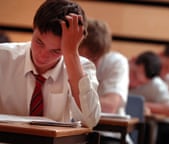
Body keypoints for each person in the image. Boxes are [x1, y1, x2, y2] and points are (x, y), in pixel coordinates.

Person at [0, 0, 101, 128]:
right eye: (39, 43)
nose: (42, 55)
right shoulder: (3, 56)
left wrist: (71, 54)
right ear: (33, 27)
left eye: (56, 51)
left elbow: (91, 120)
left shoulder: (81, 67)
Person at [78, 19, 130, 144]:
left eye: (95, 59)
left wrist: (74, 100)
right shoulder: (65, 57)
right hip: (73, 132)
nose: (89, 63)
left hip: (107, 135)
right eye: (84, 57)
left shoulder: (117, 62)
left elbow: (109, 106)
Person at [129, 51, 169, 144]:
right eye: (134, 74)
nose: (133, 83)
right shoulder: (117, 66)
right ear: (132, 60)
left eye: (140, 83)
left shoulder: (155, 84)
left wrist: (140, 106)